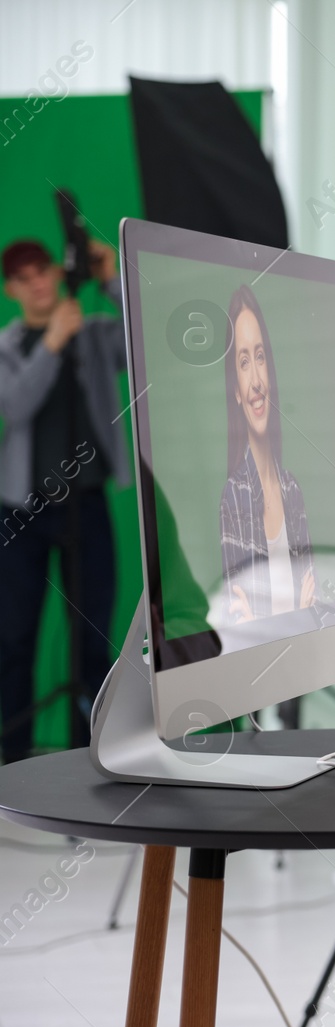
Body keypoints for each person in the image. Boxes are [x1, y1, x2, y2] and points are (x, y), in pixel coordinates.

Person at [0, 238, 128, 763]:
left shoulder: (93, 334)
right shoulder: (7, 346)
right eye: (24, 277)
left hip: (87, 504)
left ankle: (88, 760)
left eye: (43, 271)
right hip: (21, 511)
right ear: (11, 289)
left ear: (56, 274)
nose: (37, 283)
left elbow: (144, 339)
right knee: (13, 639)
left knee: (92, 641)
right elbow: (14, 405)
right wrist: (51, 344)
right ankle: (14, 759)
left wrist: (111, 279)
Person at [218, 284, 316, 623]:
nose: (257, 380)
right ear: (235, 389)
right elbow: (242, 629)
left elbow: (311, 613)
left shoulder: (293, 491)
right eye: (244, 362)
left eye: (260, 356)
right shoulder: (233, 498)